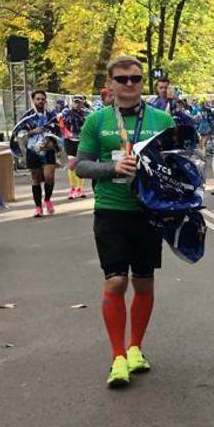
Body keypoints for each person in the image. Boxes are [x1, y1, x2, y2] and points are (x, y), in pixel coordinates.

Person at [74, 55, 175, 388]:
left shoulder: (161, 119)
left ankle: (135, 349)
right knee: (116, 282)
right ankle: (117, 356)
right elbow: (82, 166)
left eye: (136, 79)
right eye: (122, 79)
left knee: (143, 283)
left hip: (148, 212)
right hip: (111, 210)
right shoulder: (97, 121)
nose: (129, 84)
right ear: (110, 84)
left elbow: (178, 164)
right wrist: (112, 168)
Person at [19, 90, 60, 217]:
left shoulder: (51, 115)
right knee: (35, 178)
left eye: (43, 99)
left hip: (47, 148)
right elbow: (20, 133)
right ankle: (38, 207)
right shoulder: (27, 116)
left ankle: (47, 200)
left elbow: (58, 130)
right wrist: (33, 131)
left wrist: (52, 141)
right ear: (33, 100)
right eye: (38, 99)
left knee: (49, 177)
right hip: (33, 149)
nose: (40, 101)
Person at [59, 95, 90, 200]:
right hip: (69, 140)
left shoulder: (87, 113)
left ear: (82, 103)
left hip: (82, 141)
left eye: (79, 102)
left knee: (80, 164)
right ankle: (73, 188)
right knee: (72, 164)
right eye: (75, 102)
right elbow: (59, 119)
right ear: (72, 102)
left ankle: (80, 189)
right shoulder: (66, 112)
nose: (77, 104)